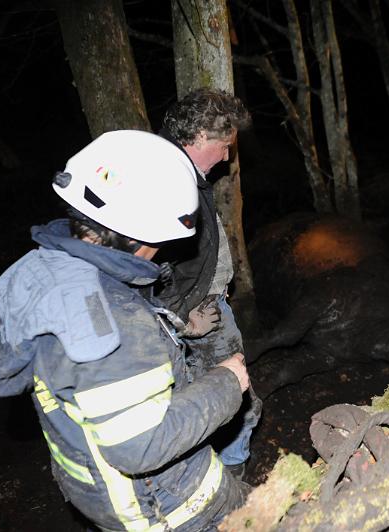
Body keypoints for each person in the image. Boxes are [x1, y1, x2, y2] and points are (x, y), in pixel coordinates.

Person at [0, 130, 251, 530]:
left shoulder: (48, 273)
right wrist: (227, 382)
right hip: (173, 508)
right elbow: (140, 447)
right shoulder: (112, 317)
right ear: (146, 232)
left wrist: (176, 327)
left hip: (98, 494)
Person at [157, 88, 261, 479]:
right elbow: (142, 266)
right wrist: (181, 321)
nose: (228, 155)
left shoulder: (186, 174)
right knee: (232, 402)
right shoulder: (166, 181)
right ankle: (227, 489)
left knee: (229, 401)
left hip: (207, 307)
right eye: (225, 144)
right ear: (200, 136)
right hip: (193, 317)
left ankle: (224, 480)